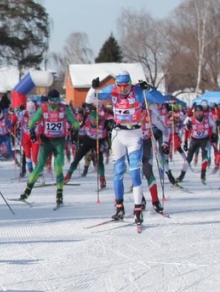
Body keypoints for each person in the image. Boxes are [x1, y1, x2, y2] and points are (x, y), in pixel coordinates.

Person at [86, 71, 167, 225]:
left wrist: (149, 88)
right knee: (118, 172)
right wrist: (93, 88)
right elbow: (89, 99)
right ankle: (119, 208)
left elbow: (161, 100)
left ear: (130, 83)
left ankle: (138, 209)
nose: (123, 89)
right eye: (120, 86)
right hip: (118, 135)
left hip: (134, 135)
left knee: (135, 172)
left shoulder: (138, 92)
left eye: (126, 85)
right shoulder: (112, 90)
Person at [19, 90, 81, 206]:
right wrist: (32, 132)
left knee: (58, 167)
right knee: (39, 166)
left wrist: (75, 133)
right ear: (48, 100)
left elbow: (75, 122)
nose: (53, 103)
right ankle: (27, 191)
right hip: (46, 141)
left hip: (59, 141)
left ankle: (59, 194)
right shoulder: (43, 109)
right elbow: (32, 121)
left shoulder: (64, 109)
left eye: (56, 100)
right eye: (51, 101)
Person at [63, 104, 109, 188]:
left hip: (99, 141)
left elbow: (110, 124)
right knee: (77, 157)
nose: (94, 122)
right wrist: (76, 136)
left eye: (96, 120)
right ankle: (68, 175)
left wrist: (105, 143)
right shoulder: (87, 120)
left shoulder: (104, 122)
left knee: (99, 160)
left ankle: (102, 178)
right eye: (92, 120)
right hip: (88, 140)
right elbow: (80, 129)